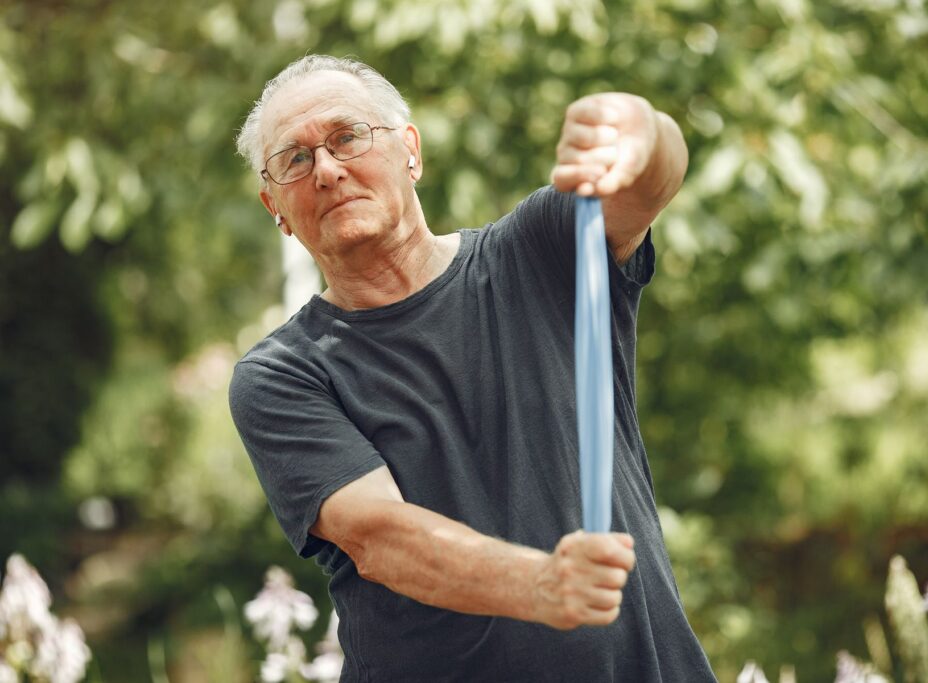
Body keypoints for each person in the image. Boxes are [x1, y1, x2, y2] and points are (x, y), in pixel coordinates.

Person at [229, 54, 716, 682]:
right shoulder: (282, 374)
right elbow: (379, 537)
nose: (326, 169)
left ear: (411, 152)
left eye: (347, 137)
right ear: (274, 206)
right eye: (295, 159)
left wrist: (642, 133)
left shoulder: (538, 252)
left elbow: (646, 186)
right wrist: (541, 584)